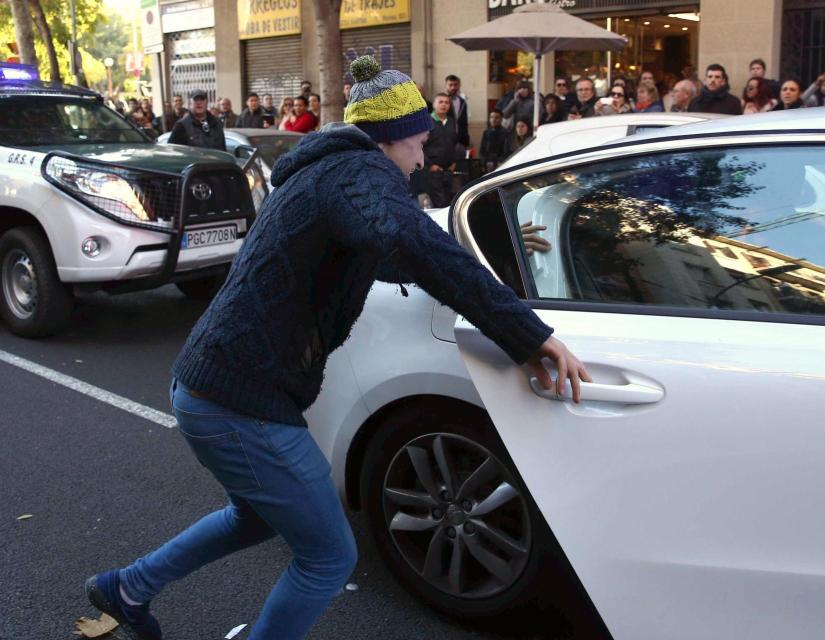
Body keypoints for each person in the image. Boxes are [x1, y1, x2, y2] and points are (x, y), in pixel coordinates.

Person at [82, 54, 591, 640]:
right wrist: (533, 336)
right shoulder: (358, 175)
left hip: (214, 386)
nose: (423, 158)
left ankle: (127, 587)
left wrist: (494, 245)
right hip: (238, 401)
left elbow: (390, 242)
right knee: (328, 558)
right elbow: (414, 243)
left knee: (254, 518)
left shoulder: (328, 171)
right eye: (418, 143)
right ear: (389, 139)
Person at [422, 92, 458, 208]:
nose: (444, 105)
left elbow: (454, 143)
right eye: (441, 102)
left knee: (449, 203)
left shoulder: (451, 121)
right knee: (440, 204)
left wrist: (454, 162)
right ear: (434, 105)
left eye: (447, 102)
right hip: (433, 170)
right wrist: (430, 165)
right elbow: (419, 146)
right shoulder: (427, 121)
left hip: (448, 170)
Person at [444, 74, 470, 147]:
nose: (453, 87)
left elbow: (465, 122)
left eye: (455, 85)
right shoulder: (440, 101)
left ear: (459, 86)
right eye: (450, 85)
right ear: (446, 86)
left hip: (461, 141)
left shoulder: (463, 102)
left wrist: (466, 141)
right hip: (445, 140)